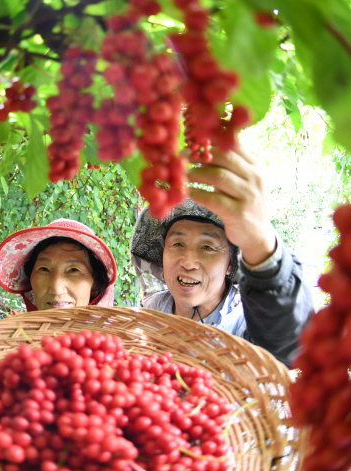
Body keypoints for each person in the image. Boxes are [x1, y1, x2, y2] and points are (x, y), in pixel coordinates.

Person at [130, 147, 314, 367]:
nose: (188, 262)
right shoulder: (152, 310)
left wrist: (260, 245)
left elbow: (290, 345)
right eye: (177, 244)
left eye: (207, 247)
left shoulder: (246, 324)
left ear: (231, 264)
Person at [0, 219, 117, 346]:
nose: (55, 288)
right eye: (44, 270)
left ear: (95, 285)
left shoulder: (115, 349)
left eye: (73, 270)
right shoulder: (4, 333)